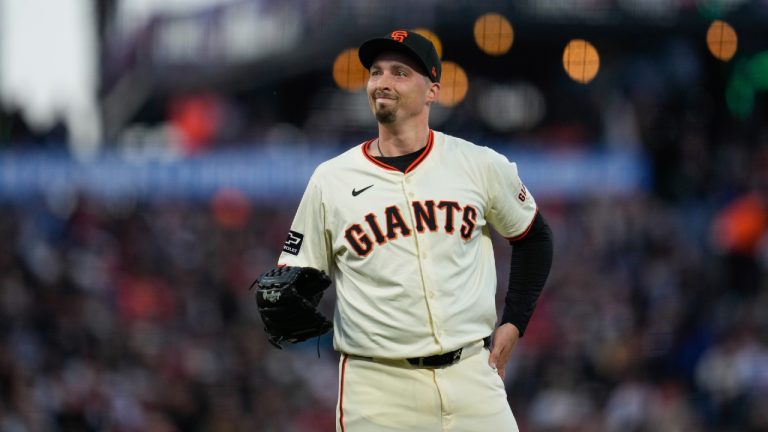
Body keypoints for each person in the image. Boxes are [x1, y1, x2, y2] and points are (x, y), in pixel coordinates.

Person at [275, 29, 553, 431]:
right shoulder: (330, 180)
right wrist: (286, 295)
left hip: (472, 375)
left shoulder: (478, 163)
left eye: (400, 72)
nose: (382, 82)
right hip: (378, 388)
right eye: (376, 72)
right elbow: (295, 278)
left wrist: (515, 320)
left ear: (432, 91)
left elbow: (534, 238)